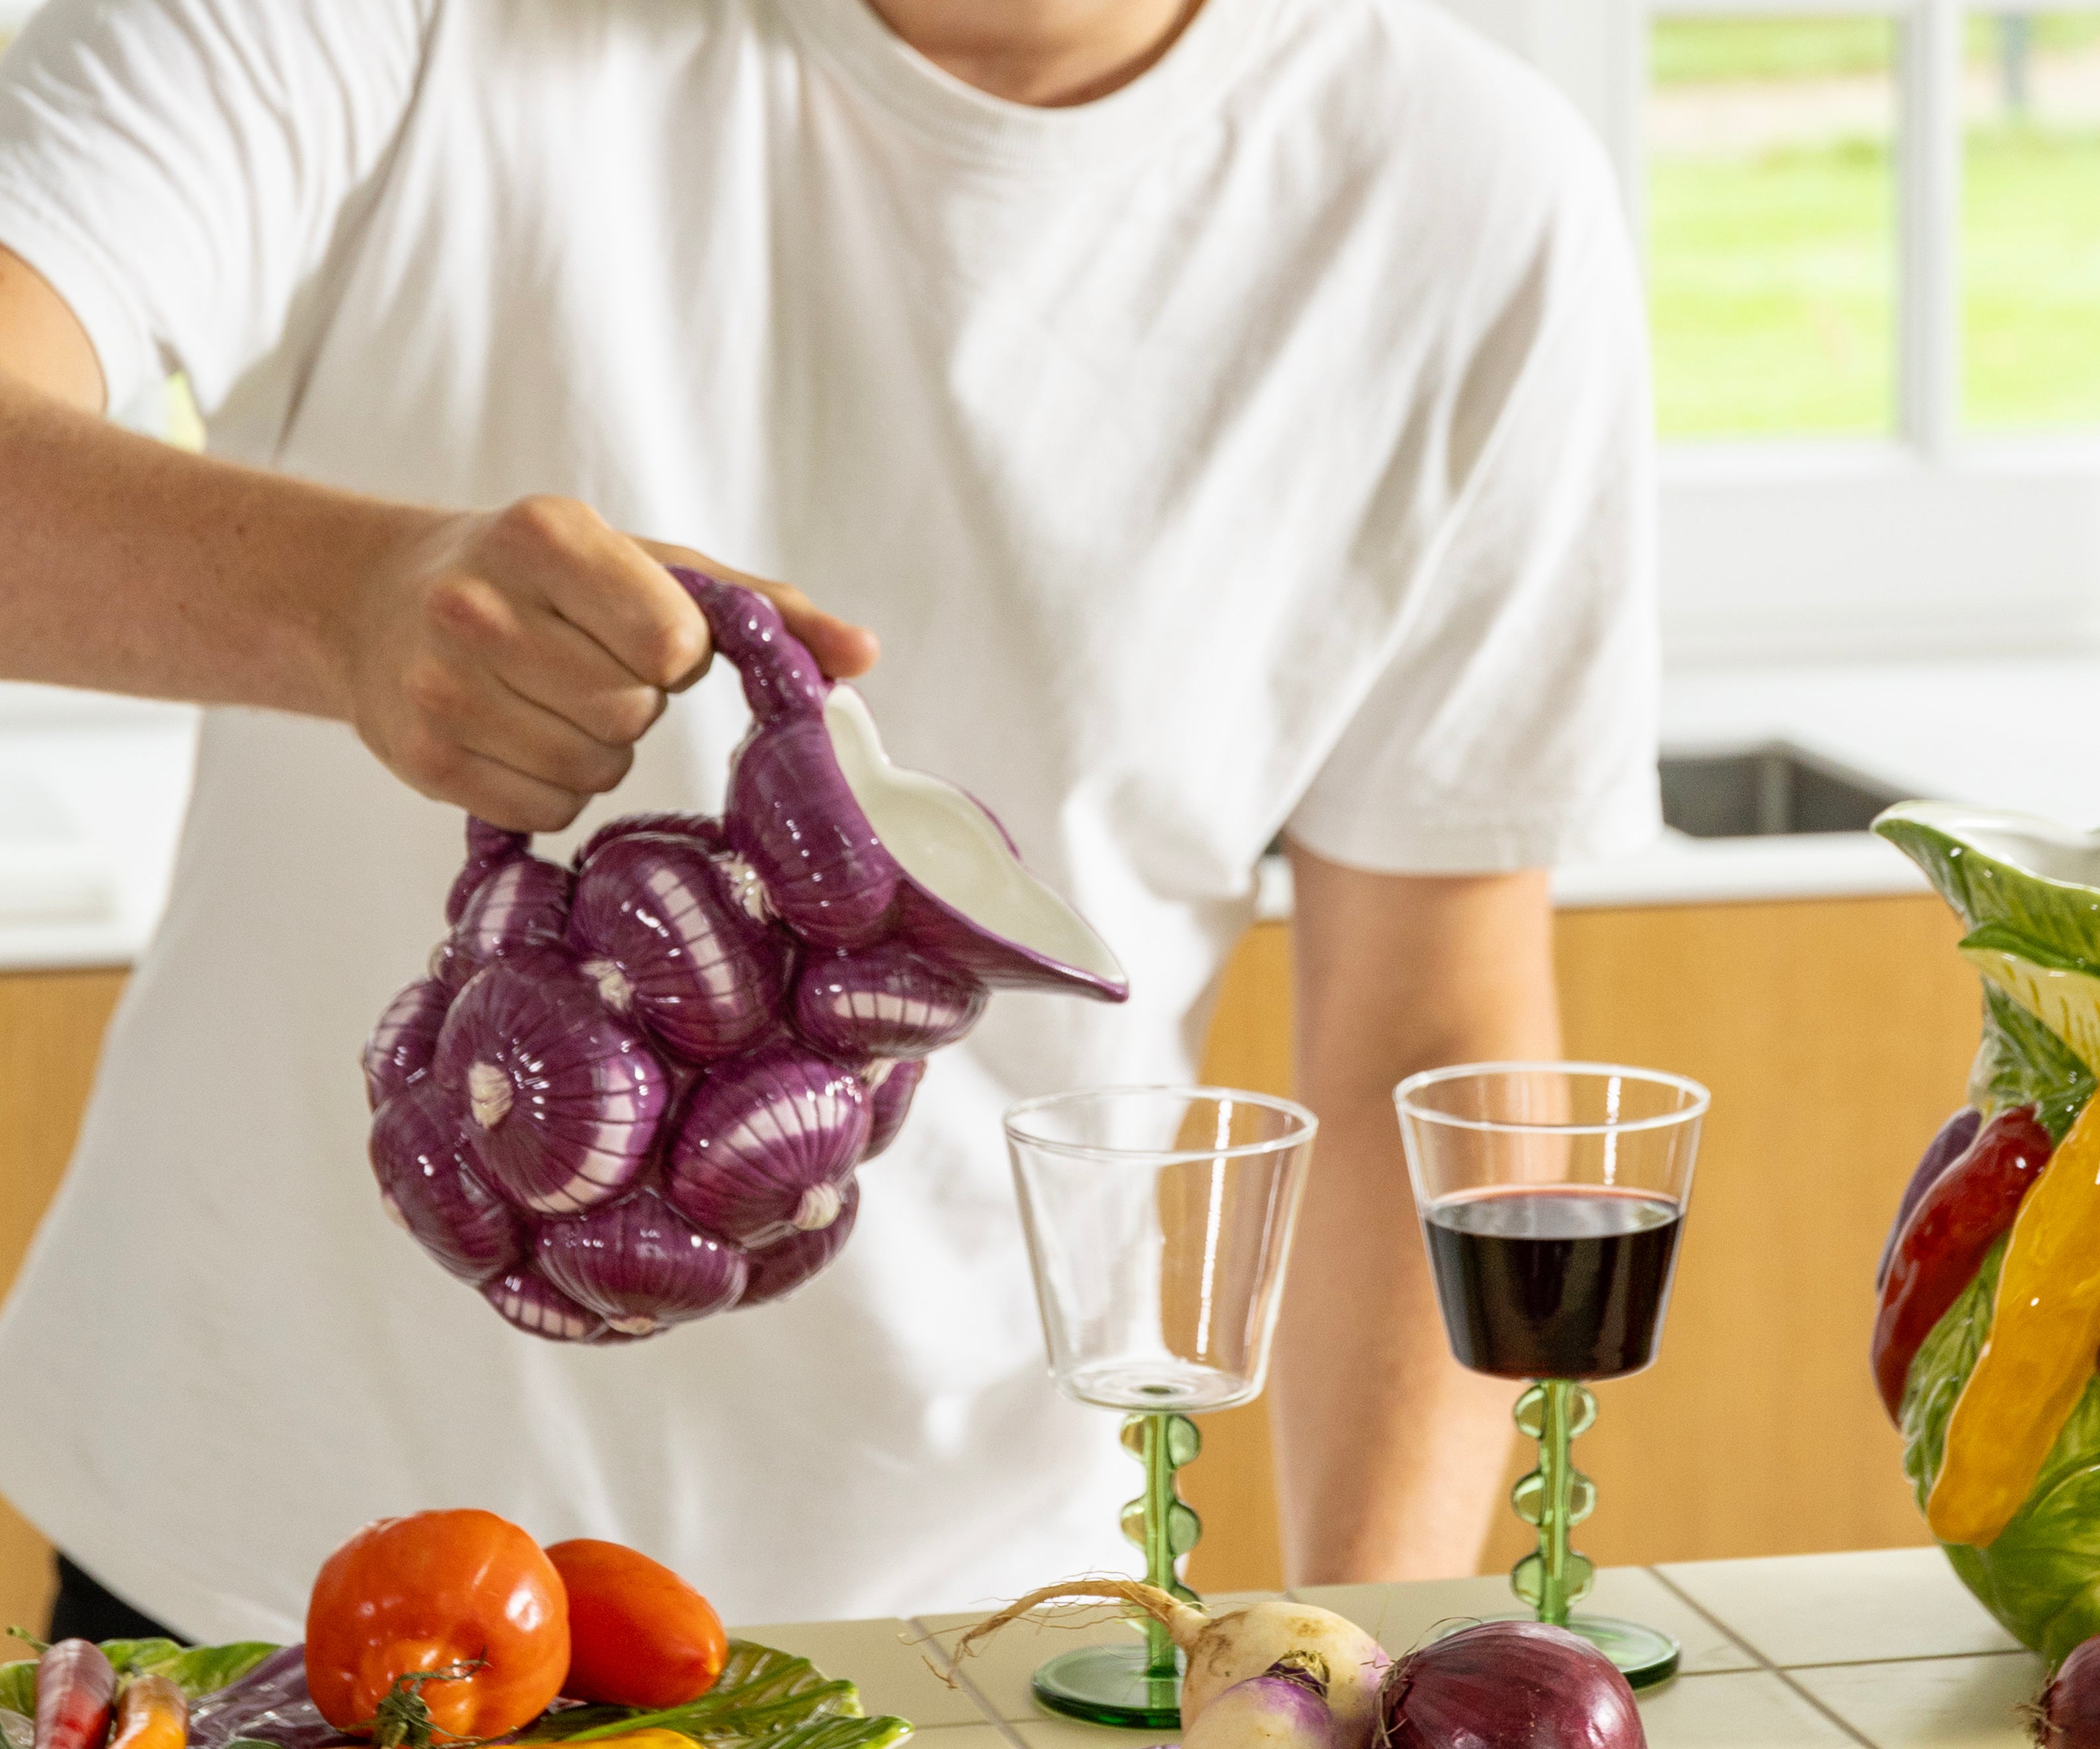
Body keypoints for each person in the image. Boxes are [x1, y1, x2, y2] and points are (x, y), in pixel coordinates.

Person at [0, 0, 1656, 1643]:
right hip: (261, 1572)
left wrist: (1348, 1664)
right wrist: (350, 603)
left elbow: (1416, 1039)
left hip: (984, 1634)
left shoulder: (1465, 195)